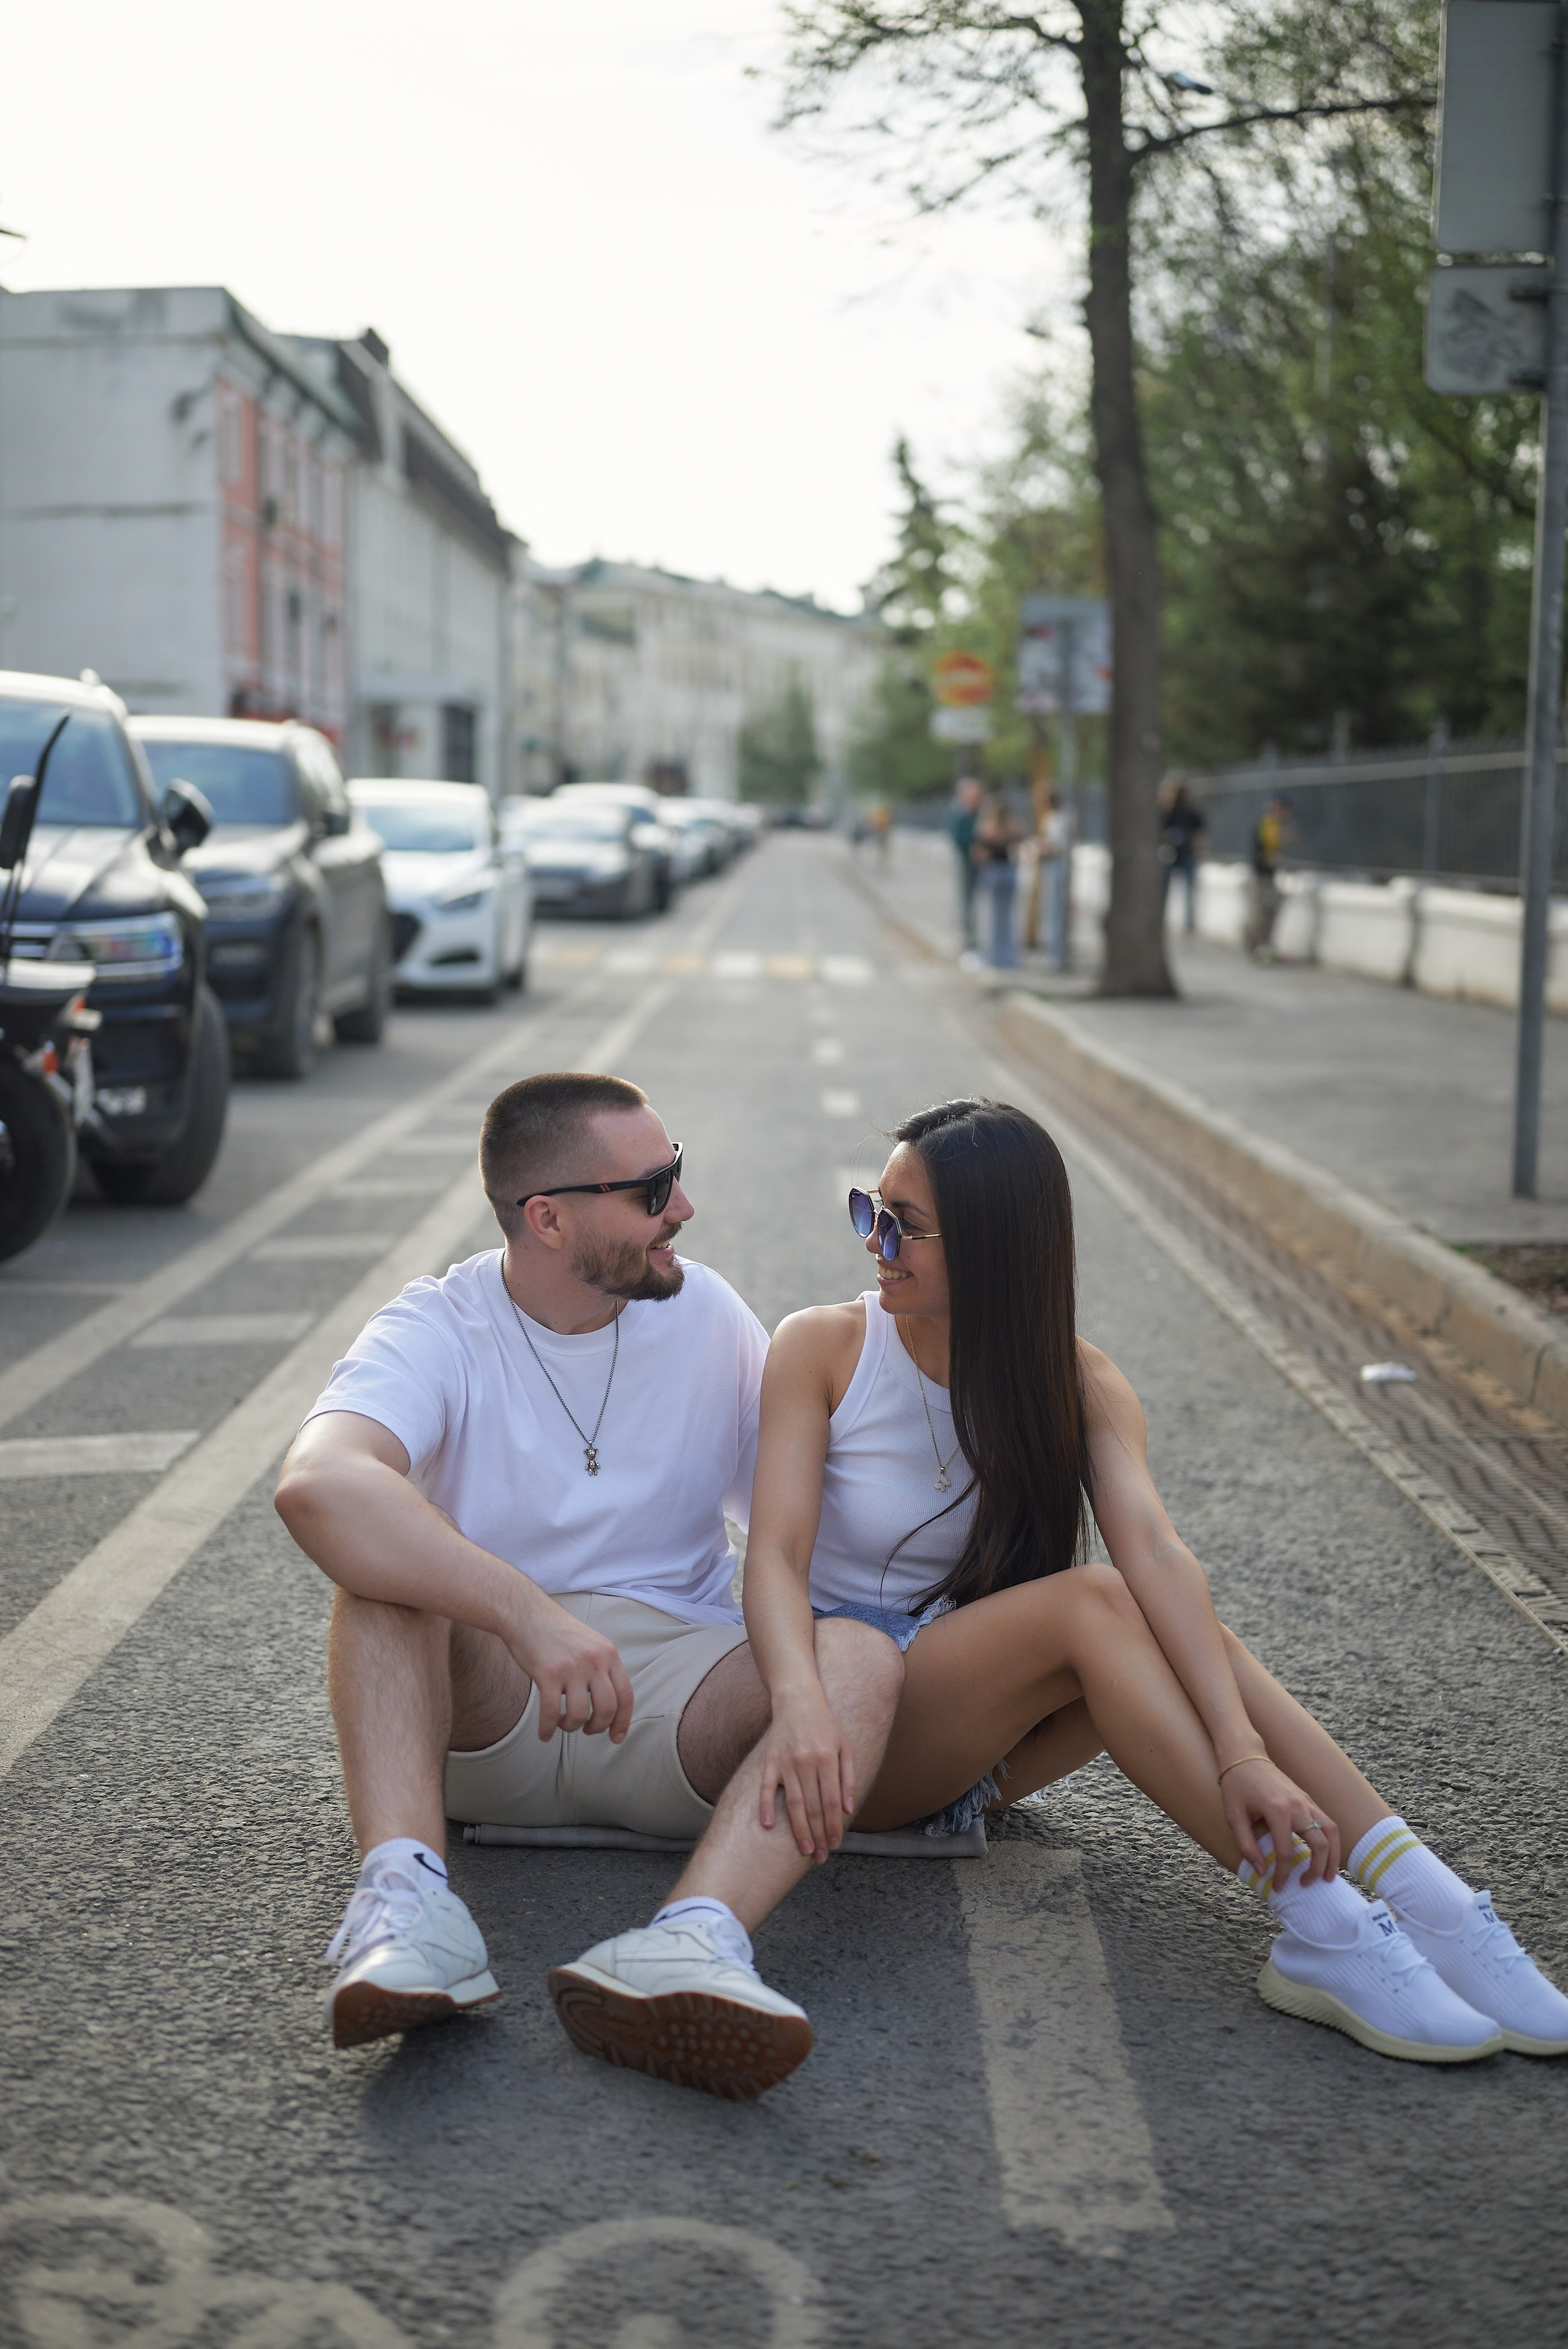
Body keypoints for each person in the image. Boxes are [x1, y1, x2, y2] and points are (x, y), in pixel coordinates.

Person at [551, 1098, 1568, 2098]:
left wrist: (1241, 1749)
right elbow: (769, 1560)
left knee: (1162, 1614)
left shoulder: (1076, 1382)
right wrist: (805, 1706)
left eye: (906, 1226)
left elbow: (1161, 1562)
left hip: (975, 1743)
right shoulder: (823, 1348)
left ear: (996, 1252)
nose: (877, 1241)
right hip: (846, 1730)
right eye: (872, 1209)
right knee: (1096, 1603)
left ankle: (1430, 1901)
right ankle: (1327, 1923)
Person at [274, 1069, 903, 2053]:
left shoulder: (706, 1315)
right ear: (548, 1218)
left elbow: (805, 1526)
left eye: (677, 1174)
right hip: (495, 1702)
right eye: (652, 1190)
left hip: (676, 1706)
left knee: (861, 1656)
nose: (683, 1208)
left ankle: (694, 1940)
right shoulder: (439, 1324)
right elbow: (318, 1483)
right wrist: (528, 1614)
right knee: (379, 1582)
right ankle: (408, 1906)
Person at [971, 793, 1022, 970]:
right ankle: (1008, 956)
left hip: (994, 872)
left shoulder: (987, 829)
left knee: (993, 917)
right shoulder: (1012, 828)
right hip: (1008, 872)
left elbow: (980, 854)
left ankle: (995, 955)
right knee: (1007, 918)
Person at [1158, 776, 1206, 937]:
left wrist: (1199, 851)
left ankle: (1189, 924)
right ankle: (1161, 920)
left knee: (1189, 891)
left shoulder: (1192, 812)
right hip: (1171, 855)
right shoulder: (1169, 812)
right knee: (1166, 890)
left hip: (1187, 855)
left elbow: (1199, 835)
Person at [1247, 793, 1292, 959]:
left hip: (1268, 875)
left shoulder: (1273, 822)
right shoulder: (1268, 821)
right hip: (1262, 875)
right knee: (1262, 914)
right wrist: (1285, 838)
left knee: (1268, 912)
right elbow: (1270, 845)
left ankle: (1261, 946)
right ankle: (1258, 947)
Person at [946, 775, 984, 949]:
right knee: (967, 900)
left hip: (981, 863)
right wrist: (971, 848)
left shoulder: (978, 813)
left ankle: (974, 935)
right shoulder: (960, 813)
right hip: (967, 862)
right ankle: (968, 937)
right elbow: (956, 837)